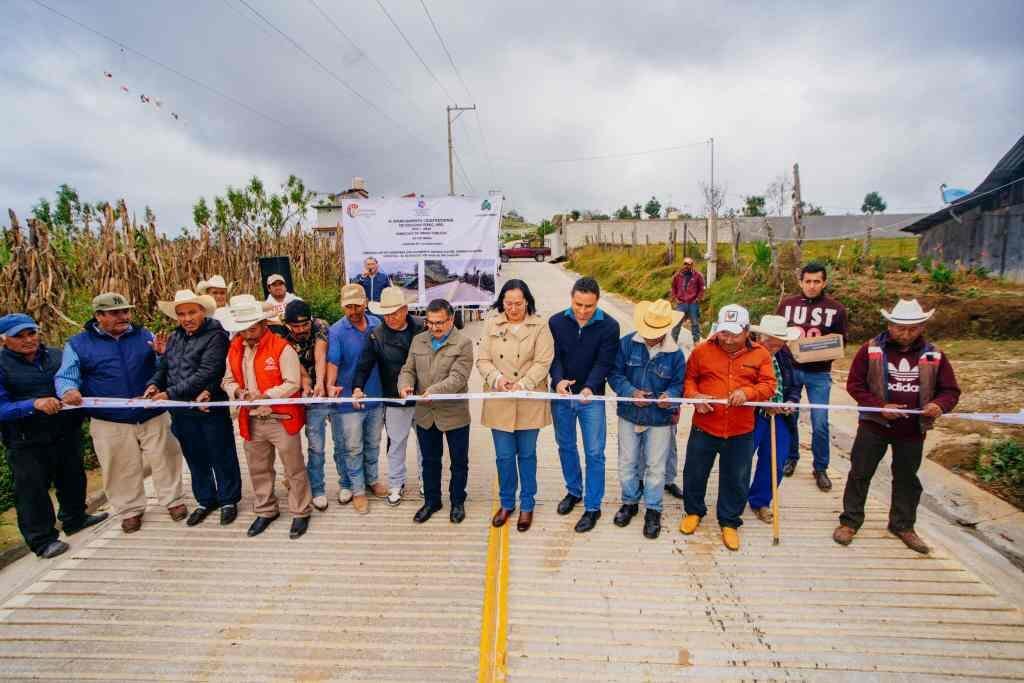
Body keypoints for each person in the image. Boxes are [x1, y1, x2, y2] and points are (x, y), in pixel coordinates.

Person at [834, 299, 960, 554]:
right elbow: (855, 385)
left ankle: (903, 525)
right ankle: (850, 521)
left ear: (922, 326)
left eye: (913, 328)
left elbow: (950, 390)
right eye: (900, 327)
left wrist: (939, 405)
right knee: (860, 472)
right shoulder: (870, 350)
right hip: (874, 425)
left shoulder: (934, 355)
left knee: (906, 478)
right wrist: (879, 405)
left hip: (912, 430)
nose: (906, 333)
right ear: (890, 325)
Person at [56, 292, 187, 534]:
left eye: (126, 311)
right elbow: (66, 375)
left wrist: (161, 354)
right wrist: (69, 390)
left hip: (150, 410)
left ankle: (174, 500)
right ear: (98, 316)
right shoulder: (78, 344)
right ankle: (130, 510)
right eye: (115, 313)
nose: (123, 317)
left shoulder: (144, 335)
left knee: (166, 457)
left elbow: (163, 369)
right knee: (119, 465)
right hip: (110, 418)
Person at [0, 314, 107, 559]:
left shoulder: (58, 356)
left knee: (73, 477)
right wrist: (32, 404)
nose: (29, 340)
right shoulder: (2, 366)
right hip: (25, 439)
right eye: (20, 336)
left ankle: (75, 518)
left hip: (64, 431)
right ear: (4, 340)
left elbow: (79, 379)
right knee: (32, 490)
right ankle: (43, 540)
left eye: (32, 333)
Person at [681, 304, 776, 551]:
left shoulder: (761, 354)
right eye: (724, 333)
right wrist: (695, 397)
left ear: (746, 331)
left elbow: (769, 385)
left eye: (734, 334)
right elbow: (689, 380)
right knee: (695, 472)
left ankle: (730, 521)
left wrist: (749, 392)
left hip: (741, 428)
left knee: (736, 477)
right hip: (705, 425)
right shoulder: (701, 351)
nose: (728, 339)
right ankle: (693, 511)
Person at [145, 289, 242, 527]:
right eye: (181, 314)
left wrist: (170, 393)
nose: (186, 318)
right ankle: (206, 499)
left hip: (208, 406)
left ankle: (229, 499)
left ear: (203, 311)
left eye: (191, 312)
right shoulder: (175, 337)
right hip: (181, 410)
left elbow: (208, 371)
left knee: (221, 453)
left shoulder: (216, 334)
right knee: (195, 456)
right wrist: (154, 385)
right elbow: (165, 367)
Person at [221, 296, 312, 539]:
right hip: (250, 419)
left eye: (252, 327)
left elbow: (293, 384)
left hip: (281, 418)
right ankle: (265, 509)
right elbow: (227, 380)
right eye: (243, 328)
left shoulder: (282, 348)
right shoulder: (234, 349)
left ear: (263, 324)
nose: (248, 333)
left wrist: (265, 396)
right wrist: (238, 392)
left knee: (293, 468)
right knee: (258, 468)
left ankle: (301, 511)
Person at [477, 279, 554, 533]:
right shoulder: (491, 324)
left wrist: (525, 383)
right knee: (504, 456)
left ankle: (528, 504)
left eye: (518, 303)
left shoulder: (540, 325)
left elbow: (544, 361)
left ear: (527, 302)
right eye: (508, 303)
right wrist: (496, 379)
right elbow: (483, 360)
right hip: (500, 399)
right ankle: (507, 502)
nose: (513, 308)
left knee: (528, 455)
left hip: (528, 398)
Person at [607, 299, 686, 540]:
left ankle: (653, 509)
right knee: (627, 461)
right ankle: (629, 501)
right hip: (630, 414)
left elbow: (679, 384)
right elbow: (615, 374)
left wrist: (669, 396)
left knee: (656, 465)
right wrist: (631, 392)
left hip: (659, 418)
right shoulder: (626, 344)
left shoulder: (676, 354)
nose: (651, 336)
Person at [548, 276, 619, 533]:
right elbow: (552, 357)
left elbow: (604, 362)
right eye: (578, 304)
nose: (582, 311)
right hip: (561, 396)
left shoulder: (610, 326)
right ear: (571, 298)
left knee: (594, 453)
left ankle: (592, 506)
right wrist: (557, 381)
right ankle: (574, 491)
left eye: (588, 306)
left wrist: (589, 387)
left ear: (597, 302)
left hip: (592, 398)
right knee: (566, 446)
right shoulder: (556, 322)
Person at [398, 299, 474, 524]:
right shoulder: (418, 341)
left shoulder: (463, 343)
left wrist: (433, 390)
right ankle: (432, 501)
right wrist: (404, 384)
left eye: (440, 323)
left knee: (459, 461)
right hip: (425, 414)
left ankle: (458, 501)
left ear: (451, 319)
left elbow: (458, 378)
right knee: (430, 460)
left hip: (454, 414)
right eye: (430, 323)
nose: (434, 328)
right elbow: (407, 369)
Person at [776, 262, 848, 491]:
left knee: (820, 422)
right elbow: (776, 334)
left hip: (819, 373)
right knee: (790, 416)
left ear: (824, 282)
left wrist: (813, 351)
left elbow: (839, 342)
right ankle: (791, 456)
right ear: (800, 282)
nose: (812, 286)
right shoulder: (787, 305)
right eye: (808, 281)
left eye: (817, 281)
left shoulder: (836, 309)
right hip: (791, 369)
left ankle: (820, 467)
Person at [352, 287, 424, 507]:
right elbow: (363, 366)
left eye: (396, 312)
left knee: (426, 444)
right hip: (394, 399)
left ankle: (426, 480)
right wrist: (357, 388)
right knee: (396, 445)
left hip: (423, 398)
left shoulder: (423, 327)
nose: (391, 318)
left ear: (405, 309)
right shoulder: (376, 336)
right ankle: (396, 483)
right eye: (387, 313)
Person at [326, 284, 386, 514]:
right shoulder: (337, 331)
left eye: (357, 306)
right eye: (348, 307)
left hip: (375, 394)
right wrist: (331, 386)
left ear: (365, 303)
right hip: (348, 400)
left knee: (373, 443)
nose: (353, 311)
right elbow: (333, 362)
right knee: (352, 447)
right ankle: (358, 490)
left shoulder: (376, 324)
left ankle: (372, 479)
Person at [746, 315, 802, 523]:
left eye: (779, 343)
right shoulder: (747, 353)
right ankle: (733, 499)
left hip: (780, 416)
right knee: (742, 458)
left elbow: (795, 383)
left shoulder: (785, 355)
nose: (775, 347)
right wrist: (762, 402)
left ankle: (760, 501)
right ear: (761, 337)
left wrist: (791, 401)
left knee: (775, 459)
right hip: (753, 414)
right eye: (771, 342)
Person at [280, 299, 332, 512]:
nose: (301, 330)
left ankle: (317, 489)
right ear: (287, 324)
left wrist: (318, 382)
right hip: (292, 387)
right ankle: (296, 479)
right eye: (296, 326)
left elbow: (320, 356)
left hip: (320, 389)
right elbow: (293, 361)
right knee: (289, 443)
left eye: (305, 325)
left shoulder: (321, 326)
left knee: (316, 445)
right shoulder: (279, 333)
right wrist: (304, 380)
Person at [664, 315, 696, 500]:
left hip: (668, 407)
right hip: (642, 406)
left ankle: (668, 480)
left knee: (670, 445)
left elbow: (680, 383)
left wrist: (675, 408)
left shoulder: (676, 352)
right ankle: (641, 479)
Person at [670, 257, 705, 341]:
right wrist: (675, 298)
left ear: (692, 265)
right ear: (683, 264)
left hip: (693, 303)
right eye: (685, 264)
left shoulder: (698, 275)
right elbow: (673, 288)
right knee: (677, 322)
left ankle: (696, 341)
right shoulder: (677, 275)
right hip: (681, 303)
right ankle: (673, 340)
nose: (686, 266)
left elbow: (702, 288)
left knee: (695, 323)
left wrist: (698, 298)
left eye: (689, 264)